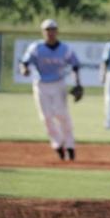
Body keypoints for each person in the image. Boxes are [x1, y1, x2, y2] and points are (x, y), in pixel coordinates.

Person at [19, 18, 83, 161]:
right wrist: (24, 70)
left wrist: (78, 83)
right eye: (47, 30)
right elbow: (24, 62)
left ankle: (70, 145)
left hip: (59, 83)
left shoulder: (65, 49)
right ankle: (58, 144)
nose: (50, 33)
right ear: (43, 32)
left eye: (53, 30)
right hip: (40, 84)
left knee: (62, 115)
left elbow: (75, 65)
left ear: (57, 31)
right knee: (46, 117)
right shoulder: (36, 48)